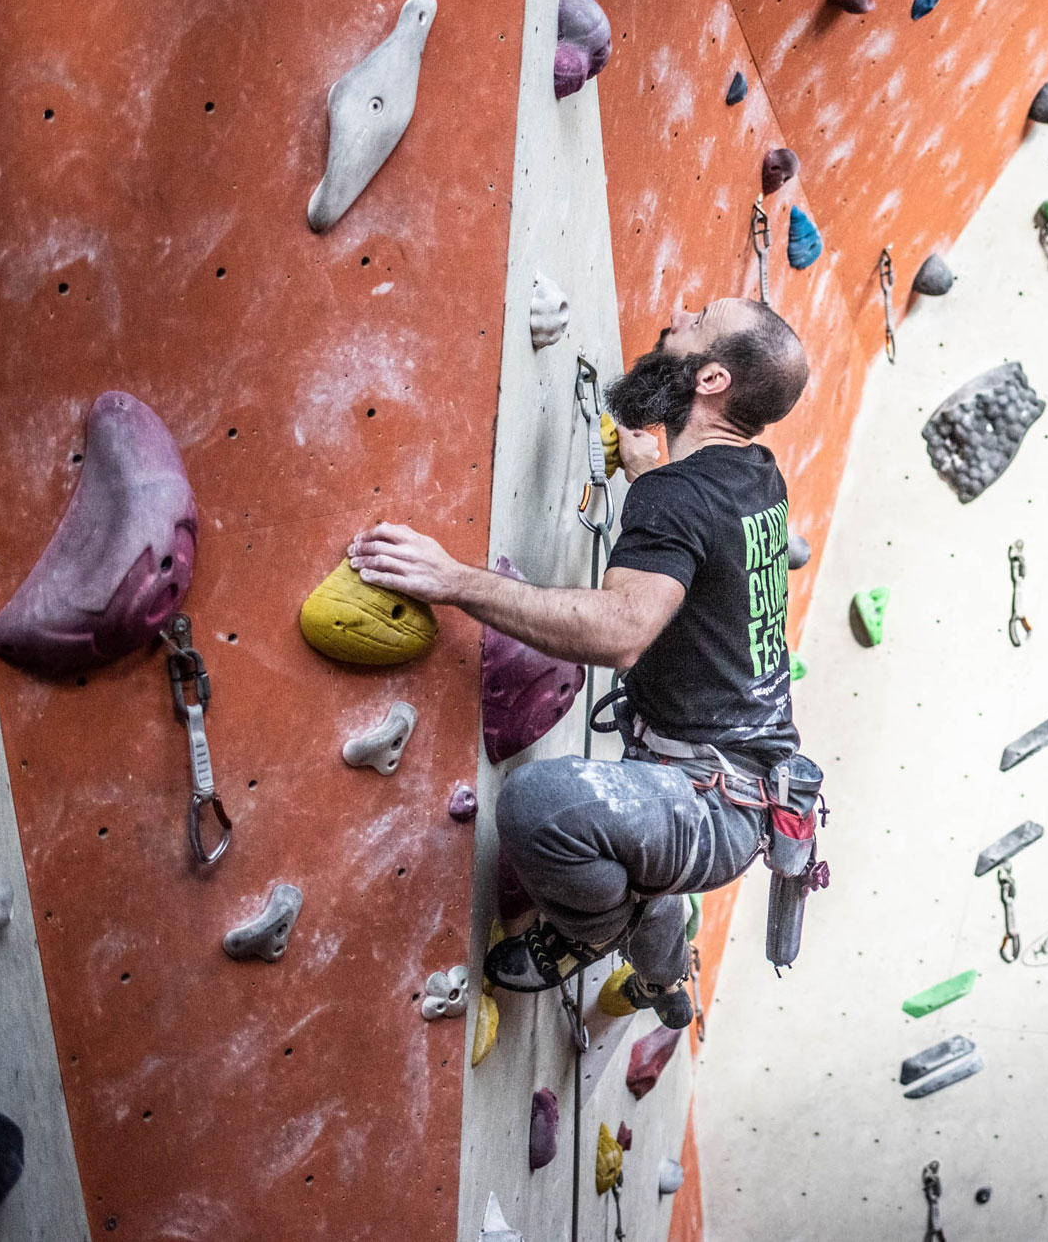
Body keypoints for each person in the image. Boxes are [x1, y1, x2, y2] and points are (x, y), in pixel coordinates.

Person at [346, 297, 813, 1029]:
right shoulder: (755, 475)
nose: (679, 319)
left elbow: (622, 632)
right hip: (739, 783)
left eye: (697, 322)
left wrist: (453, 579)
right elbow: (697, 556)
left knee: (540, 807)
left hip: (710, 807)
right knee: (651, 905)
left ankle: (593, 933)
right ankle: (662, 975)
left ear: (711, 377)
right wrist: (645, 478)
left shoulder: (681, 498)